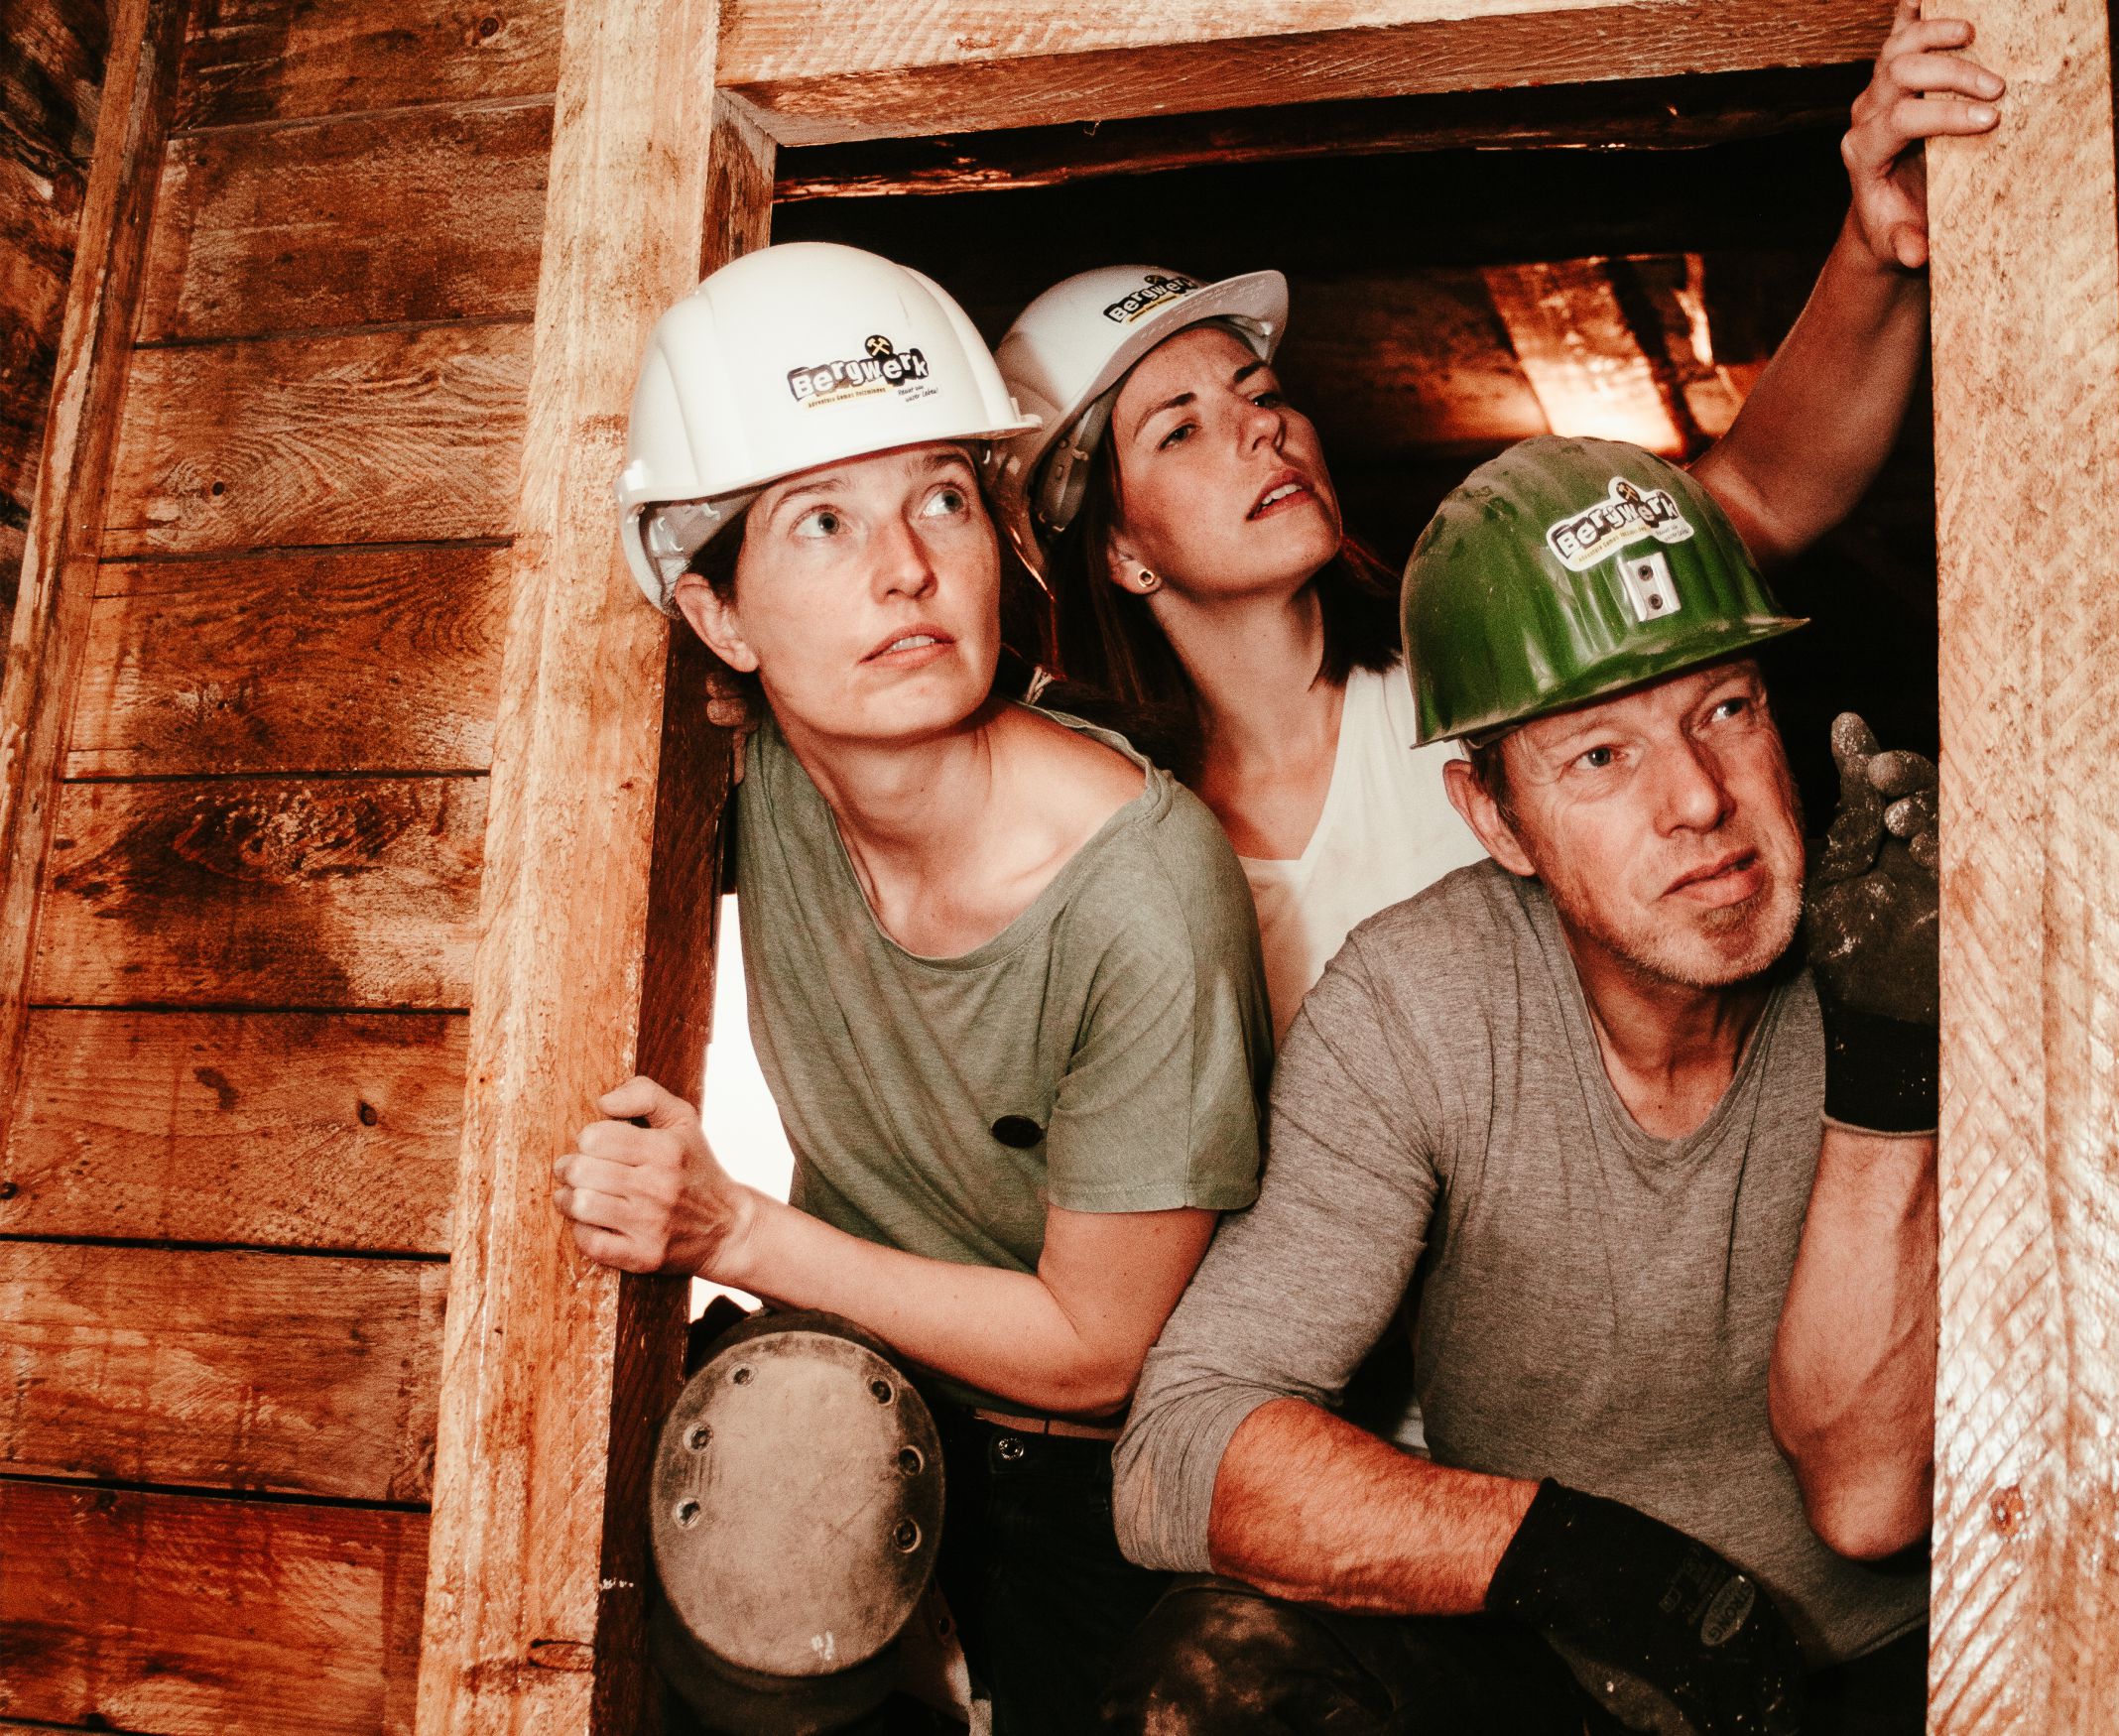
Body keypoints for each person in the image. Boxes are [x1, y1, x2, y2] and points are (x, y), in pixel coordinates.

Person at [1105, 436, 1940, 1735]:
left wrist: (1894, 1053)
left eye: (1725, 708)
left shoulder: (1901, 943)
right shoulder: (1420, 1002)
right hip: (1558, 1676)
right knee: (1218, 1669)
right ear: (1492, 817)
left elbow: (1867, 1501)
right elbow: (1179, 1448)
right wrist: (1588, 1564)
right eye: (1599, 755)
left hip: (1891, 1673)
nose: (1698, 799)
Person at [561, 239, 1273, 1734]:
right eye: (821, 521)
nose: (907, 568)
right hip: (838, 1403)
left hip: (1095, 1467)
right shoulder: (758, 771)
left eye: (943, 497)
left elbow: (1097, 1352)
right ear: (720, 619)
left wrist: (730, 1229)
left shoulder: (1143, 886)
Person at [987, 0, 1998, 1044]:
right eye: (1180, 430)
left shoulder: (1478, 653)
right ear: (1118, 548)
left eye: (1262, 390)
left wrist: (1874, 246)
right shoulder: (1106, 829)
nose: (1260, 428)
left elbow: (1764, 493)